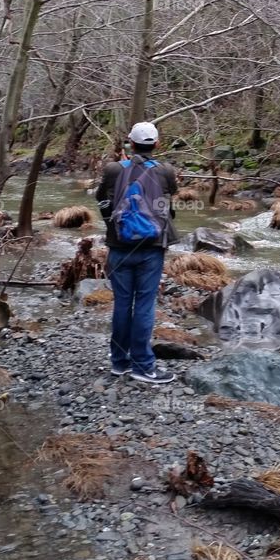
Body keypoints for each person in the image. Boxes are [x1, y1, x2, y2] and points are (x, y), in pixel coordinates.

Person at [96, 121, 178, 384]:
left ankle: (119, 362)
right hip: (151, 248)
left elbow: (101, 199)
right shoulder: (166, 171)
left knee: (122, 304)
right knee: (144, 305)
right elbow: (168, 200)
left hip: (119, 247)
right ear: (157, 144)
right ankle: (143, 366)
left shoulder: (112, 169)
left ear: (130, 143)